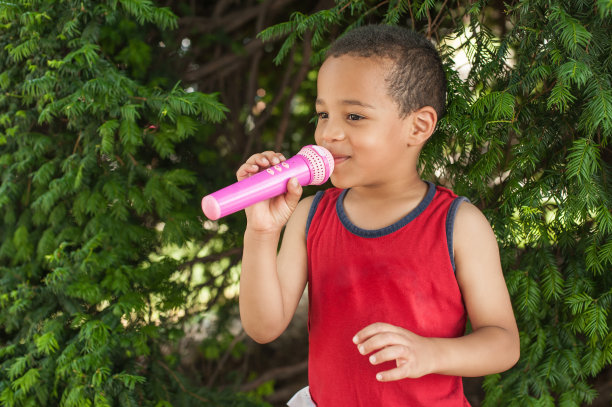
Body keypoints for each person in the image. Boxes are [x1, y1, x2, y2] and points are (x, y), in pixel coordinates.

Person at [237, 25, 520, 406]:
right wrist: (261, 231)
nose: (328, 134)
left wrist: (431, 353)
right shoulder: (310, 215)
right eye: (323, 114)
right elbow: (263, 327)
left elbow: (503, 342)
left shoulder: (459, 225)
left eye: (354, 116)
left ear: (418, 126)